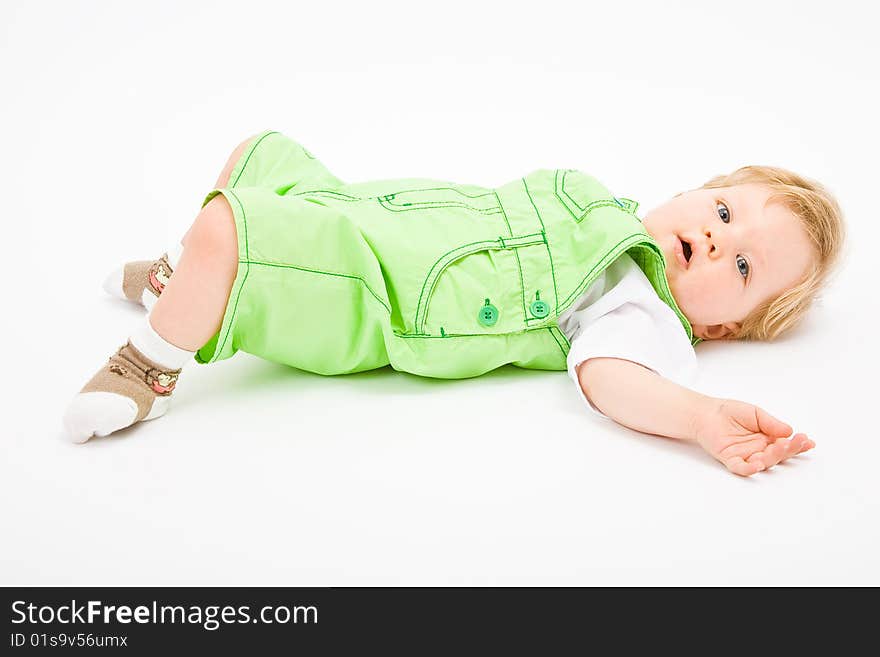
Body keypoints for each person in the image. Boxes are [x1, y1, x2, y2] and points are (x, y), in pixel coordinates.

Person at [62, 130, 846, 477]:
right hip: (369, 212)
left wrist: (700, 418)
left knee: (232, 225)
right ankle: (182, 275)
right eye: (721, 212)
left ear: (719, 326)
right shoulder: (605, 208)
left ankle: (151, 364)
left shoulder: (632, 304)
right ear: (688, 194)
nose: (716, 239)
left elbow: (611, 376)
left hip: (379, 287)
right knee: (260, 155)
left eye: (741, 263)